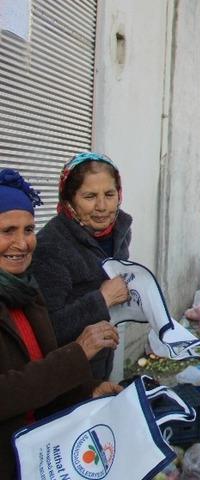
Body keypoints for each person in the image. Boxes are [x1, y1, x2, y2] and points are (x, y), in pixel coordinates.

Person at [0, 168, 122, 478]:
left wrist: (86, 391)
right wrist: (78, 353)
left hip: (37, 453)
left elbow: (40, 368)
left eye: (28, 230)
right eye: (7, 231)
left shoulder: (26, 292)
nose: (22, 243)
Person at [30, 152, 131, 380]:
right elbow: (48, 329)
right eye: (89, 196)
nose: (102, 206)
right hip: (67, 376)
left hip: (105, 356)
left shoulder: (120, 231)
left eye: (109, 194)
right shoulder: (51, 246)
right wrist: (102, 299)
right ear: (69, 199)